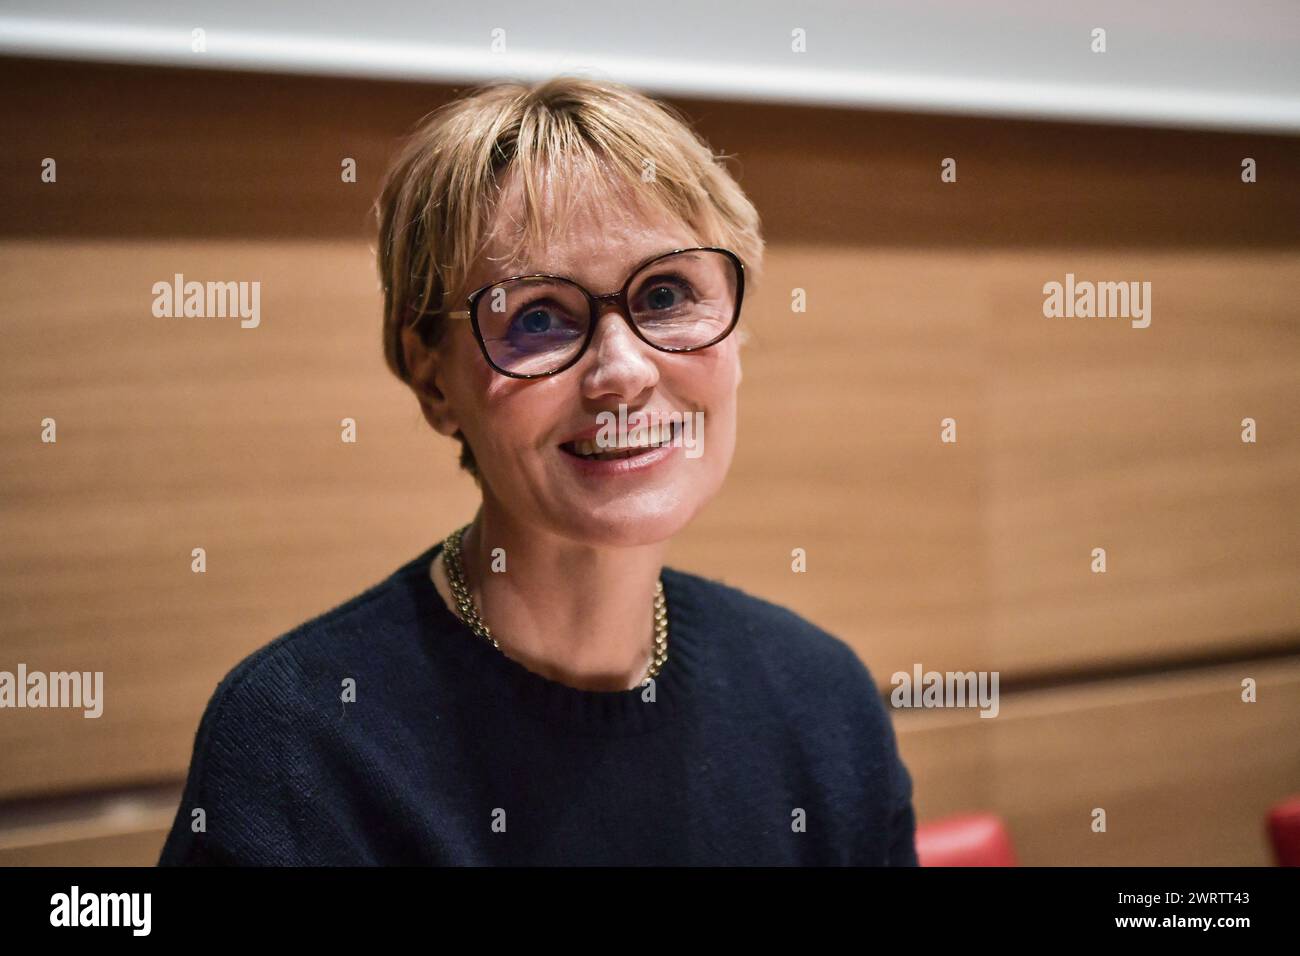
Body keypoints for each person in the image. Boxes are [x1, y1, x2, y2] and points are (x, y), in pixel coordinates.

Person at [158, 75, 918, 866]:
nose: (622, 371)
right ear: (433, 381)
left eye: (665, 295)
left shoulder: (822, 700)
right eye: (539, 317)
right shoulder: (297, 744)